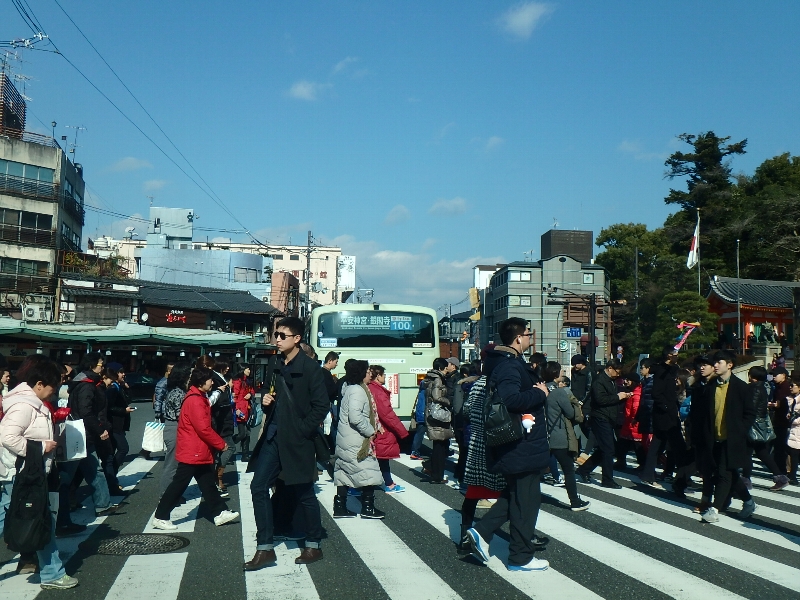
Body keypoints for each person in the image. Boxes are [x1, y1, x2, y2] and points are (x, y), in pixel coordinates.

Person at [464, 318, 551, 572]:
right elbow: (512, 399)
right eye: (527, 335)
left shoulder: (503, 364)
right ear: (517, 339)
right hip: (521, 445)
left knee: (514, 496)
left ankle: (481, 532)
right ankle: (520, 557)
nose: (529, 340)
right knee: (526, 502)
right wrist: (540, 393)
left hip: (517, 445)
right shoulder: (510, 366)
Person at [244, 317, 330, 570]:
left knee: (303, 493)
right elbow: (270, 393)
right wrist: (266, 399)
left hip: (297, 440)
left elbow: (321, 407)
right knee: (258, 487)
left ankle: (313, 544)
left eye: (282, 335)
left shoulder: (312, 369)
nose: (277, 339)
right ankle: (265, 548)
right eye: (275, 334)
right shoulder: (275, 363)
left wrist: (302, 430)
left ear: (297, 339)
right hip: (273, 436)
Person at [0, 355, 79, 589]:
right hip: (23, 473)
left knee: (35, 519)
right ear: (39, 384)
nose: (54, 393)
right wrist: (41, 447)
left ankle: (51, 572)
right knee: (36, 520)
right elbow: (7, 436)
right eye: (53, 387)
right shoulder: (26, 405)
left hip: (25, 472)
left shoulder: (30, 402)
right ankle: (52, 573)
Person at [152, 367, 240, 530]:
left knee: (207, 483)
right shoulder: (195, 400)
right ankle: (160, 516)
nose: (212, 382)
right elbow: (203, 429)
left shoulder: (197, 396)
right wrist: (221, 444)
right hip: (194, 449)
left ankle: (220, 512)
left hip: (196, 449)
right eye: (209, 380)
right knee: (179, 484)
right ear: (201, 382)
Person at [691, 350, 757, 524]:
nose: (715, 365)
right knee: (730, 473)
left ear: (730, 365)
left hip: (732, 439)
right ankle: (748, 501)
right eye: (715, 362)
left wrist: (740, 430)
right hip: (714, 438)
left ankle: (715, 509)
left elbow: (750, 413)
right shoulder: (711, 387)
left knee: (724, 474)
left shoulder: (741, 387)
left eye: (719, 362)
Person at [63, 353, 114, 517]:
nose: (102, 367)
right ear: (92, 365)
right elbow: (86, 411)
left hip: (81, 433)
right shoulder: (87, 385)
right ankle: (62, 509)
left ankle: (101, 504)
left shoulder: (85, 382)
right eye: (100, 364)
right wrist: (99, 428)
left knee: (90, 470)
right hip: (82, 433)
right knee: (69, 474)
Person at [333, 360, 386, 518]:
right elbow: (355, 417)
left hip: (346, 438)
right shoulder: (358, 390)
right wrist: (371, 430)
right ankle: (368, 508)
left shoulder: (350, 388)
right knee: (368, 471)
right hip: (356, 440)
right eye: (368, 371)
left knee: (344, 473)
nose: (370, 373)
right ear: (361, 372)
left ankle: (340, 507)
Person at [640, 346, 688, 494]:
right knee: (679, 447)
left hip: (667, 413)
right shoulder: (661, 370)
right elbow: (657, 393)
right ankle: (683, 479)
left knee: (657, 445)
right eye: (675, 354)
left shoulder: (671, 369)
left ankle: (648, 474)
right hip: (665, 415)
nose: (677, 356)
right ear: (668, 355)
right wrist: (667, 407)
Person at [543, 361, 590, 511]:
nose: (563, 374)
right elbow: (570, 413)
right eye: (561, 372)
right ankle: (575, 502)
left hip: (543, 435)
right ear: (556, 374)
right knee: (568, 470)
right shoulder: (558, 392)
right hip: (559, 435)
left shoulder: (541, 389)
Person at [576, 359, 629, 488]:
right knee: (608, 449)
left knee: (606, 448)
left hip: (608, 417)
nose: (618, 374)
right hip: (600, 417)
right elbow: (600, 400)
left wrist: (624, 396)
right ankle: (607, 479)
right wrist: (618, 397)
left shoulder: (611, 381)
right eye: (617, 371)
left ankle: (584, 469)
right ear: (610, 368)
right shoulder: (600, 381)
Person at [368, 365, 409, 493]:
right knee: (381, 457)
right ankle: (388, 484)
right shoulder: (379, 392)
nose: (385, 376)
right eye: (383, 374)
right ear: (378, 376)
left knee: (377, 458)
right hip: (381, 429)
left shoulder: (370, 388)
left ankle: (388, 482)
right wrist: (402, 431)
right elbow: (387, 414)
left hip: (374, 428)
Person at [160, 362, 192, 496]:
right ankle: (166, 494)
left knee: (176, 464)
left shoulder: (177, 391)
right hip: (175, 428)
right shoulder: (178, 394)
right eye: (189, 374)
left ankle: (172, 493)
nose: (191, 377)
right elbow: (182, 415)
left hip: (173, 427)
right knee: (172, 464)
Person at [103, 366, 134, 495]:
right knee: (123, 449)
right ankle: (110, 477)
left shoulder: (118, 387)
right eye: (121, 372)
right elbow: (109, 407)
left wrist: (127, 388)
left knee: (113, 452)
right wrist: (123, 411)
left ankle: (111, 479)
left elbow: (128, 400)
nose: (123, 374)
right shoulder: (112, 389)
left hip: (118, 425)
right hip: (114, 425)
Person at [424, 357, 455, 484]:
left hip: (432, 413)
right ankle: (437, 475)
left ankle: (433, 471)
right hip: (439, 414)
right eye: (446, 367)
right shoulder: (438, 379)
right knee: (440, 447)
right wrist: (449, 402)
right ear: (441, 368)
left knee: (438, 445)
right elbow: (437, 396)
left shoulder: (430, 377)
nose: (447, 369)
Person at [452, 364, 480, 488]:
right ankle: (462, 475)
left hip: (463, 422)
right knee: (468, 452)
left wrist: (458, 423)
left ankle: (461, 475)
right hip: (475, 422)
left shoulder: (461, 384)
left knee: (464, 451)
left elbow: (458, 406)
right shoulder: (480, 383)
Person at [616, 372, 643, 469]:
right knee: (624, 443)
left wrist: (633, 420)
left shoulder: (636, 394)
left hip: (633, 423)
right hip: (629, 422)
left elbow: (635, 409)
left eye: (628, 380)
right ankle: (621, 461)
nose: (625, 382)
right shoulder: (633, 392)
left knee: (637, 445)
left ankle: (642, 464)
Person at [769, 366, 791, 479]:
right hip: (778, 421)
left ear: (783, 375)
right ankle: (780, 469)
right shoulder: (778, 387)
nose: (774, 377)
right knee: (779, 446)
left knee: (781, 447)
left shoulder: (785, 387)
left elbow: (781, 404)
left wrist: (770, 404)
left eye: (776, 375)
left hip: (783, 421)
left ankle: (782, 470)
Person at [232, 367, 254, 461]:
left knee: (247, 433)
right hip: (240, 409)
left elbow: (252, 390)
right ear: (242, 370)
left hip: (247, 408)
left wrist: (251, 394)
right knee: (242, 433)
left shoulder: (248, 381)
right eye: (247, 369)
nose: (249, 371)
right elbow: (235, 396)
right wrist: (236, 409)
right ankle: (228, 446)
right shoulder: (237, 381)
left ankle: (245, 455)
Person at [787, 379, 800, 486]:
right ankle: (792, 476)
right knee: (794, 453)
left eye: (793, 385)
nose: (790, 387)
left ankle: (793, 476)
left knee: (795, 454)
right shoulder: (792, 399)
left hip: (798, 429)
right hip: (794, 431)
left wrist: (793, 419)